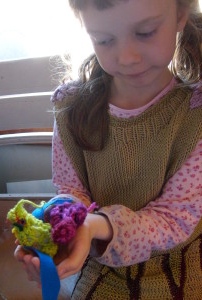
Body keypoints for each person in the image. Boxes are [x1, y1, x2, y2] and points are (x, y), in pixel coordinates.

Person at [15, 0, 202, 298]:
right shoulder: (72, 108)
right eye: (104, 40)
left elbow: (174, 220)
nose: (127, 57)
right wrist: (62, 228)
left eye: (146, 32)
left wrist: (95, 225)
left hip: (178, 267)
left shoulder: (195, 116)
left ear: (180, 15)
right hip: (97, 261)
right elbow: (70, 190)